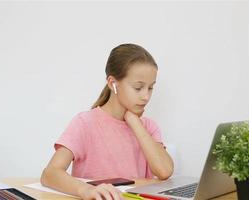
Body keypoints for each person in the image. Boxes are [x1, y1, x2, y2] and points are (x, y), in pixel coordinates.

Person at [40, 43, 174, 200]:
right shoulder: (85, 123)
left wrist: (134, 122)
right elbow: (50, 173)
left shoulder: (148, 127)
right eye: (138, 88)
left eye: (150, 88)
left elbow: (164, 171)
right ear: (112, 83)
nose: (146, 96)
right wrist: (85, 190)